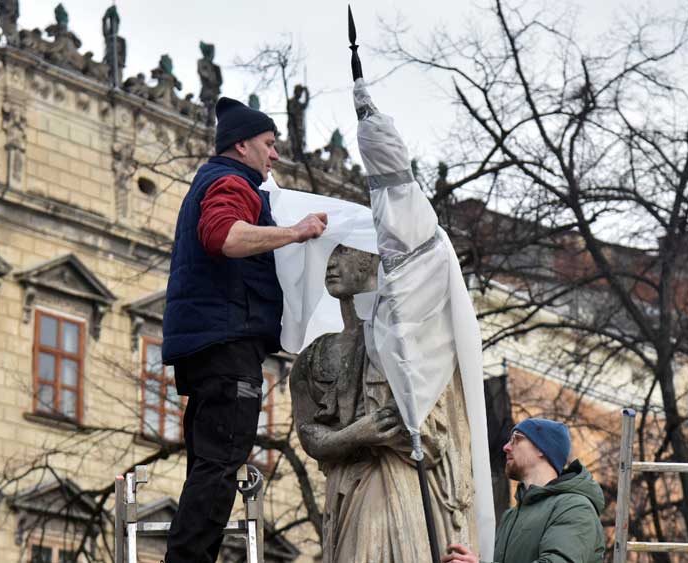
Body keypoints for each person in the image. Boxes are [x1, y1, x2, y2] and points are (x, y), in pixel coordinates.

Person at [162, 96, 327, 563]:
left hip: (208, 343)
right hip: (227, 343)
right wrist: (295, 233)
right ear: (242, 144)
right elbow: (224, 236)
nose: (275, 155)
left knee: (208, 467)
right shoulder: (232, 182)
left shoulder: (217, 180)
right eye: (269, 144)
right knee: (219, 465)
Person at [289, 245, 477, 563]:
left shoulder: (410, 338)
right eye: (328, 254)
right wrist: (356, 434)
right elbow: (310, 434)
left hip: (398, 484)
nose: (330, 263)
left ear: (371, 258)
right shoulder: (314, 356)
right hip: (345, 486)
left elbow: (436, 433)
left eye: (343, 251)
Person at [442, 418, 606, 563]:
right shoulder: (512, 515)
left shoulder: (575, 508)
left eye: (516, 439)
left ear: (542, 448)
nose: (506, 447)